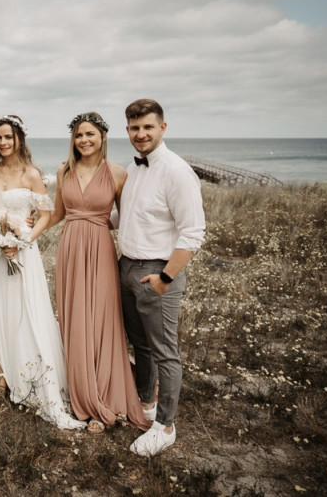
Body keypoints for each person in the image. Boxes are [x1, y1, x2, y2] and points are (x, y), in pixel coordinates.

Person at [0, 115, 86, 430]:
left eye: (8, 137)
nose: (3, 143)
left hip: (23, 253)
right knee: (1, 314)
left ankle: (37, 381)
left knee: (28, 312)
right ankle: (4, 375)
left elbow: (47, 215)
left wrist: (22, 240)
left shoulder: (32, 174)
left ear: (19, 139)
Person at [50, 111, 151, 435]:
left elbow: (128, 216)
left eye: (90, 134)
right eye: (79, 135)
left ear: (103, 137)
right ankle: (83, 395)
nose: (84, 140)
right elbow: (55, 214)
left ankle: (105, 395)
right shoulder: (63, 171)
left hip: (102, 251)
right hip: (70, 250)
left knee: (103, 322)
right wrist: (20, 232)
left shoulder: (119, 174)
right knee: (75, 320)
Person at [117, 99, 205, 456]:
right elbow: (129, 218)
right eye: (135, 128)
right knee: (140, 346)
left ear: (162, 128)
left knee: (165, 352)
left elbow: (193, 232)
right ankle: (145, 404)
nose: (141, 134)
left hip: (158, 272)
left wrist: (164, 278)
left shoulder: (177, 171)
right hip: (127, 267)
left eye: (148, 127)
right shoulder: (134, 167)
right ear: (128, 131)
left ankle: (165, 426)